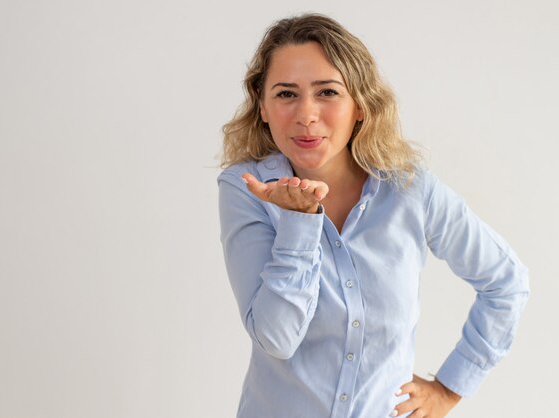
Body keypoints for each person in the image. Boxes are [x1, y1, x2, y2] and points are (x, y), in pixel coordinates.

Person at [218, 13, 529, 418]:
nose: (306, 115)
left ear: (360, 106)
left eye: (327, 92)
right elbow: (276, 338)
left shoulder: (411, 192)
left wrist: (450, 388)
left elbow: (507, 282)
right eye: (286, 94)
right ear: (262, 106)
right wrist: (299, 221)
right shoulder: (246, 188)